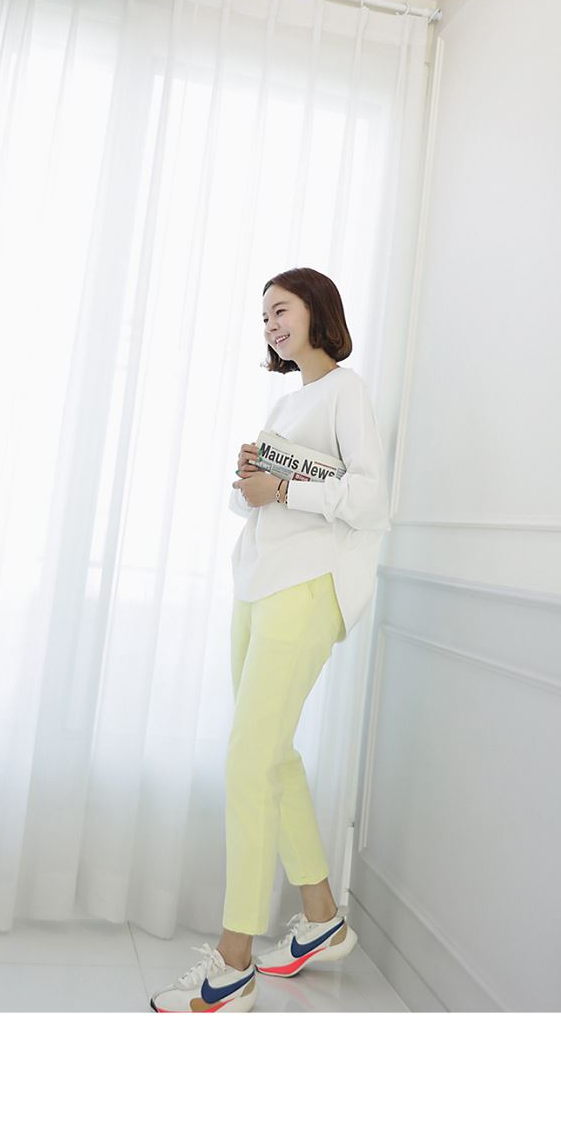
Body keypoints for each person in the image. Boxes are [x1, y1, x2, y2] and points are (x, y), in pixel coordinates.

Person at [151, 267, 391, 1011]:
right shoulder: (287, 403)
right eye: (263, 319)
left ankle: (234, 964)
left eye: (280, 311)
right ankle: (321, 917)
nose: (270, 327)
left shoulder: (346, 391)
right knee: (271, 753)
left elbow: (370, 498)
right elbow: (251, 504)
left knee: (248, 760)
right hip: (257, 584)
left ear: (317, 311)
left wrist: (283, 486)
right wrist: (253, 479)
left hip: (306, 587)